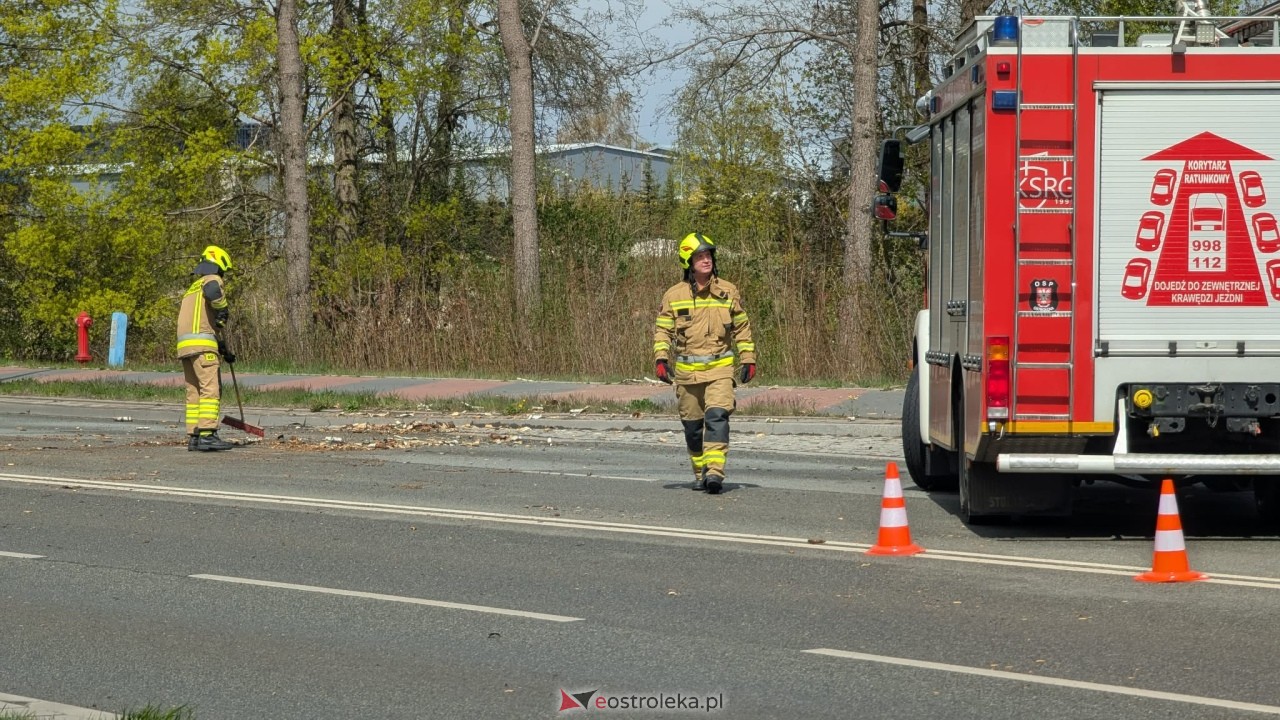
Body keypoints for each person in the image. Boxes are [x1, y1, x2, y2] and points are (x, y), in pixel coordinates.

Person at [652, 233, 756, 494]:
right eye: (700, 256)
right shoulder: (674, 295)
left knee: (717, 417)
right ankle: (699, 471)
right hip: (687, 375)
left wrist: (748, 359)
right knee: (693, 429)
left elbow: (742, 327)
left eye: (708, 255)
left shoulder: (728, 291)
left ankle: (715, 472)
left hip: (719, 370)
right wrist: (661, 359)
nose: (706, 260)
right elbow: (662, 330)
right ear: (688, 261)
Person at [176, 245, 235, 451]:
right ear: (218, 265)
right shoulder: (212, 280)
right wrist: (223, 310)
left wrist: (222, 348)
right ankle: (208, 434)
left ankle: (194, 435)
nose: (222, 276)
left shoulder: (192, 288)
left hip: (186, 348)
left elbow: (202, 323)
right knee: (211, 390)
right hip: (202, 347)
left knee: (194, 392)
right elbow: (214, 292)